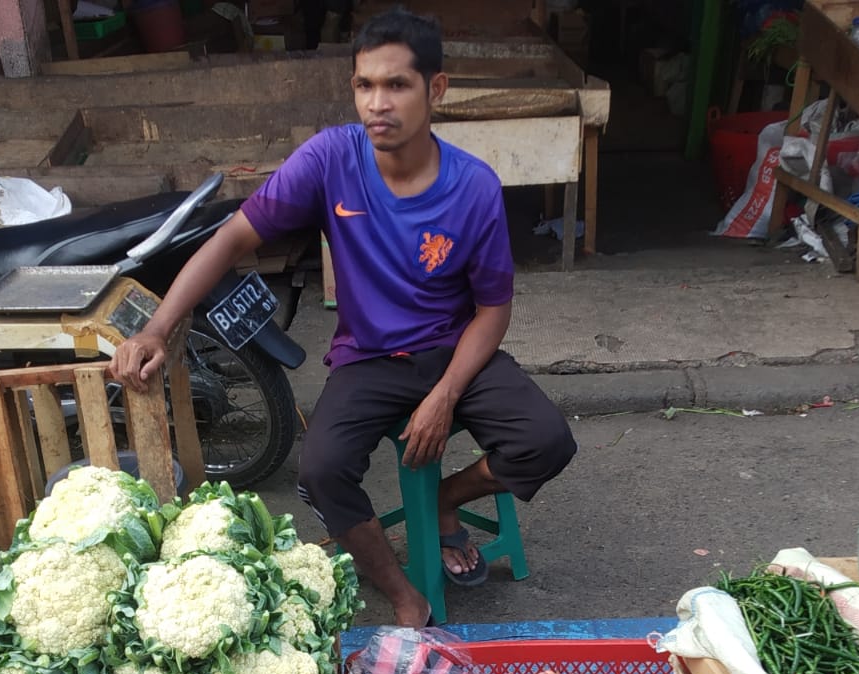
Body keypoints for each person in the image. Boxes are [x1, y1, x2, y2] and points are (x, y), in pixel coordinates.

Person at [108, 7, 577, 628]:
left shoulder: (475, 188)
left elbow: (493, 311)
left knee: (547, 440)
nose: (377, 103)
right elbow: (229, 240)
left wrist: (445, 395)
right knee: (321, 471)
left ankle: (443, 498)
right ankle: (403, 593)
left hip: (455, 349)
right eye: (364, 86)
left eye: (397, 85)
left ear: (435, 89)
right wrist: (156, 328)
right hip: (370, 358)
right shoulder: (332, 159)